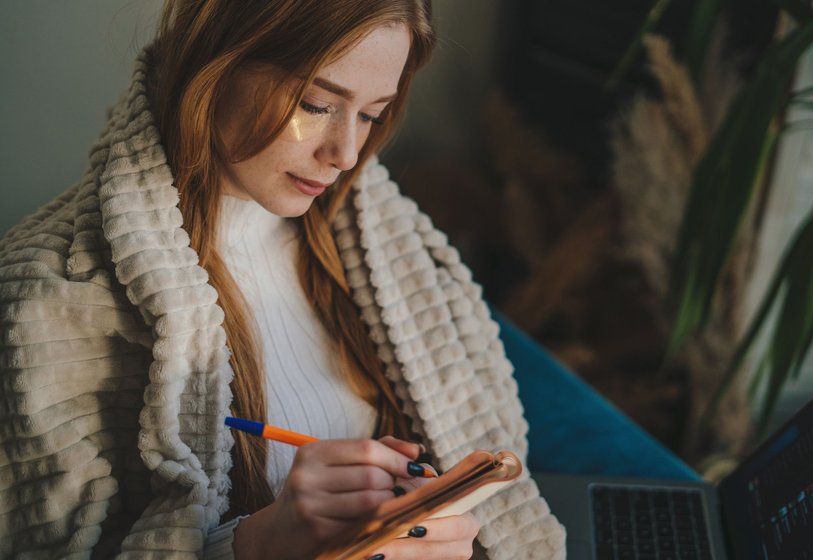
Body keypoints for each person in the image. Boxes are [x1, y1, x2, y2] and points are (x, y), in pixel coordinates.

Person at [0, 1, 566, 558]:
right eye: (317, 105)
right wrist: (254, 546)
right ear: (214, 64)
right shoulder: (49, 296)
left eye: (371, 115)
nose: (346, 154)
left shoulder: (388, 247)